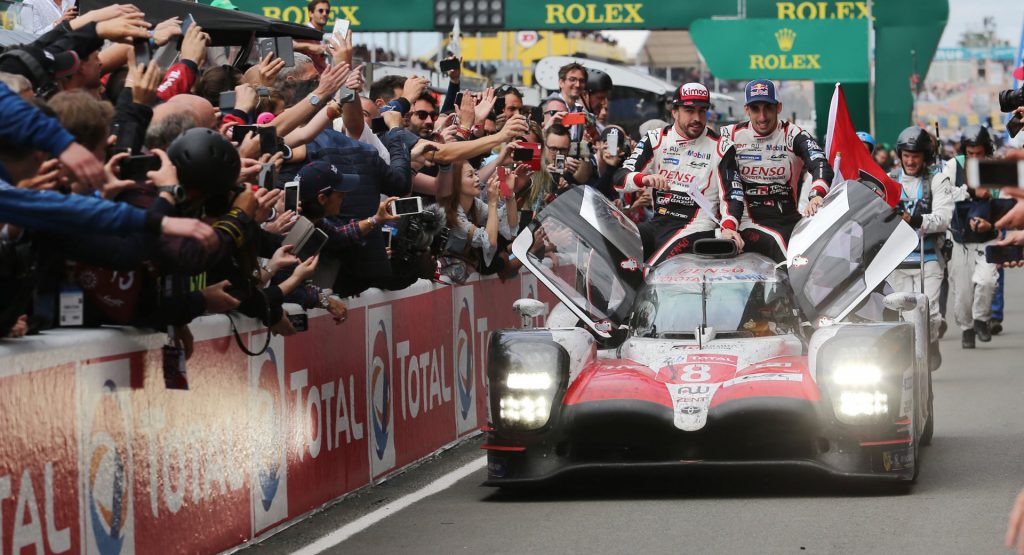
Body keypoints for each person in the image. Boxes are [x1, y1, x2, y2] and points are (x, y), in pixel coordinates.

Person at [613, 82, 743, 265]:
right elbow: (620, 179)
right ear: (674, 111)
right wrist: (644, 178)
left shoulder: (722, 146)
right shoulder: (655, 139)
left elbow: (733, 196)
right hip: (659, 221)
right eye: (690, 110)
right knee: (615, 247)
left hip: (697, 227)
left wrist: (729, 227)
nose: (697, 118)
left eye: (702, 110)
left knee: (655, 268)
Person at [719, 79, 834, 262]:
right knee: (779, 246)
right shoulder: (729, 134)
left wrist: (817, 194)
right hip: (745, 219)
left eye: (768, 108)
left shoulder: (793, 134)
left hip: (786, 219)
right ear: (746, 109)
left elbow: (820, 163)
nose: (762, 117)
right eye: (756, 109)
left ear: (778, 107)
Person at [886, 125, 952, 368]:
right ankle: (912, 362)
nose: (911, 161)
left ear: (925, 156)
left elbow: (944, 218)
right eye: (906, 155)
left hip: (930, 255)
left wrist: (914, 220)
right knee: (904, 315)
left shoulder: (938, 178)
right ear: (900, 155)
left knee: (931, 315)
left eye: (916, 156)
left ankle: (932, 340)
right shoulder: (889, 180)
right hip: (897, 259)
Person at [945, 125, 999, 348]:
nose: (975, 158)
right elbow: (944, 194)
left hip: (988, 237)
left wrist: (992, 222)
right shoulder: (952, 166)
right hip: (959, 238)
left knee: (987, 281)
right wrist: (970, 191)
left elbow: (1005, 201)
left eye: (979, 153)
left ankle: (981, 319)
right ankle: (967, 329)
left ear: (987, 151)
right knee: (962, 294)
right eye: (970, 154)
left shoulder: (996, 168)